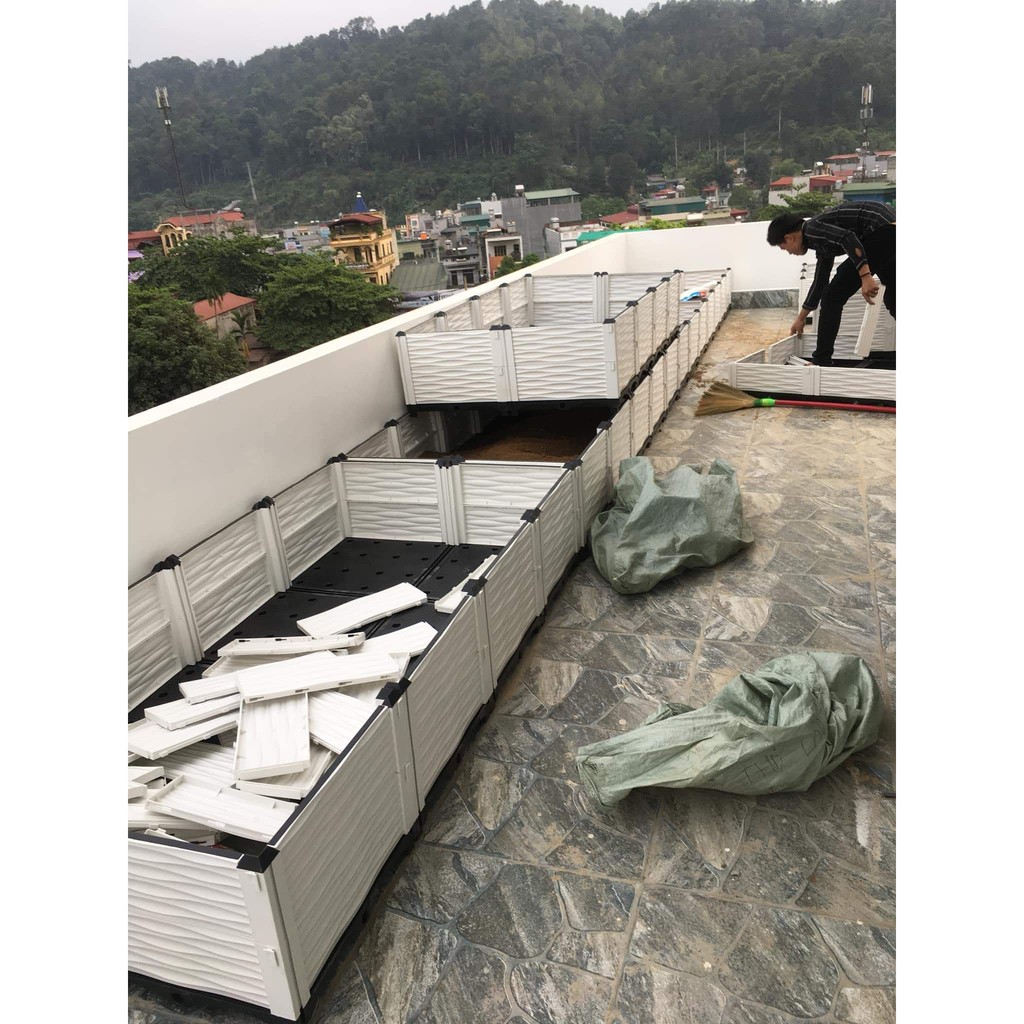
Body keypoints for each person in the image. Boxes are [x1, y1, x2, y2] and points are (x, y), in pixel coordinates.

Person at [767, 201, 895, 366]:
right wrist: (801, 318)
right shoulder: (820, 239)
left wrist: (865, 276)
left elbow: (848, 238)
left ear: (789, 238)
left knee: (832, 297)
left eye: (784, 247)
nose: (789, 253)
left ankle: (821, 360)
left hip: (881, 230)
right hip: (890, 229)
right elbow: (820, 281)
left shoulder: (812, 230)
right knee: (894, 295)